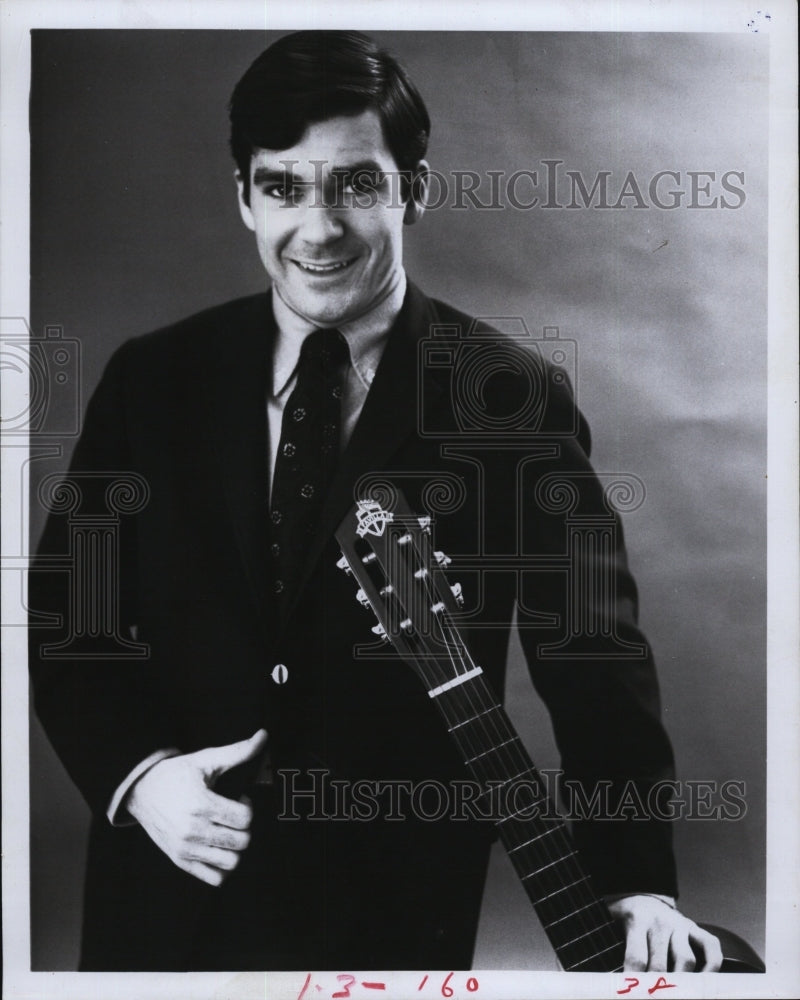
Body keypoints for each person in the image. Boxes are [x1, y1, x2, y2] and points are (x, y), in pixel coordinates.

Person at [29, 30, 723, 973]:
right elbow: (69, 615)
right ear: (243, 197)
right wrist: (140, 778)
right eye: (282, 188)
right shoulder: (151, 380)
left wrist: (637, 881)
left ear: (416, 190)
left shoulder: (509, 398)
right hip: (168, 879)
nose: (318, 230)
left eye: (357, 185)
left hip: (392, 903)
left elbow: (596, 657)